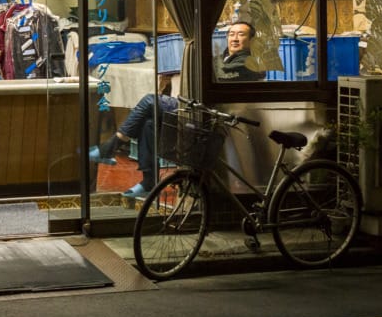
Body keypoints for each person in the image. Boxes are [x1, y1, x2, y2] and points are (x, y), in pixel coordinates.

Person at [96, 20, 263, 198]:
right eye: (231, 34)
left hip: (212, 115)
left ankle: (112, 145)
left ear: (251, 41)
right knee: (148, 122)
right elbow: (207, 70)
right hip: (199, 107)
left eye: (241, 34)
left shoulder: (249, 63)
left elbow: (214, 75)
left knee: (149, 101)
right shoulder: (221, 58)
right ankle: (148, 179)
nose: (234, 38)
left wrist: (200, 64)